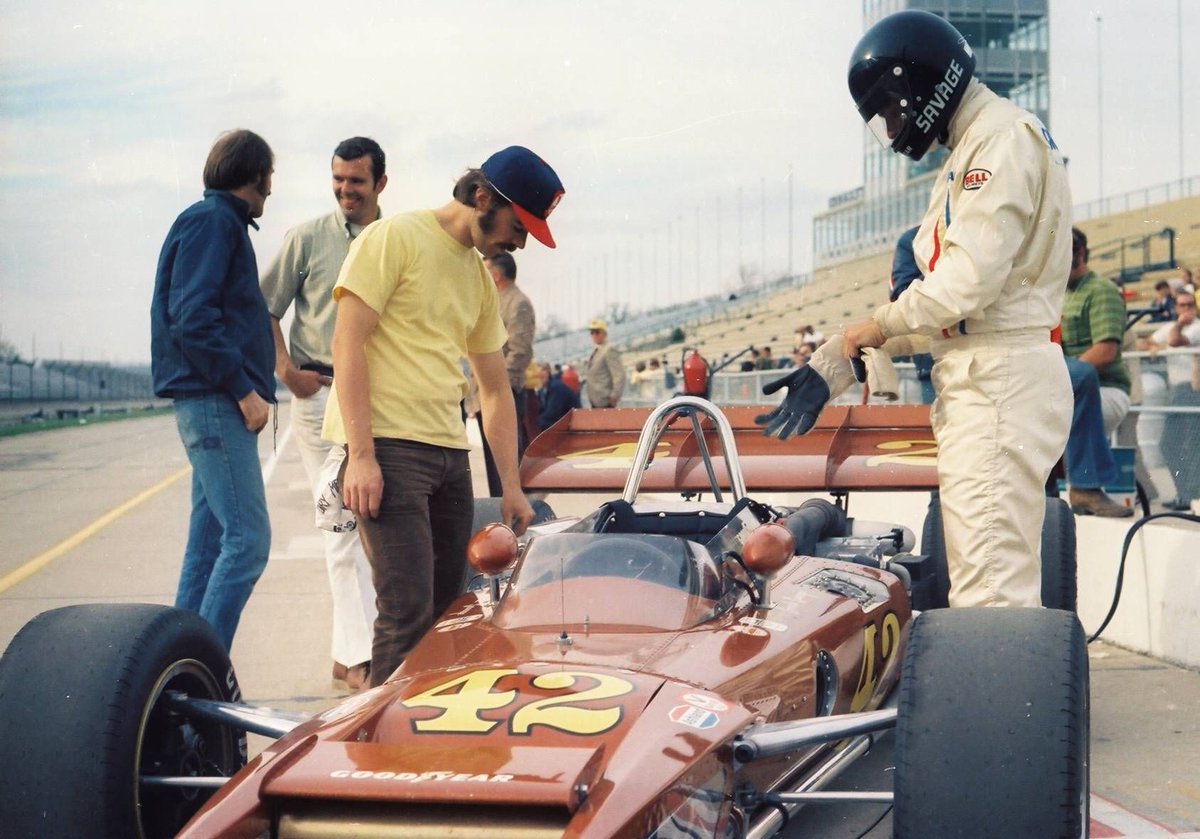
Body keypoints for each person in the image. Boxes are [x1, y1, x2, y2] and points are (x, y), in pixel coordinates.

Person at [760, 11, 1072, 609]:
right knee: (986, 573)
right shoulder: (979, 143)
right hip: (989, 372)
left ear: (923, 83)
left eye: (894, 108)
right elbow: (955, 306)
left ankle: (996, 704)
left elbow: (965, 287)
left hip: (998, 378)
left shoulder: (998, 140)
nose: (895, 126)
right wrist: (843, 355)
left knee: (991, 590)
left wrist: (878, 325)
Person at [326, 145, 562, 686]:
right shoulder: (393, 238)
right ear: (482, 197)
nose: (520, 242)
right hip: (388, 448)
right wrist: (360, 456)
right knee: (405, 612)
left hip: (449, 455)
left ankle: (428, 743)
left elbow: (496, 390)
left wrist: (510, 487)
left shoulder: (478, 279)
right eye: (517, 225)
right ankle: (379, 752)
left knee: (447, 616)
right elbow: (347, 343)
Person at [259, 136, 386, 689]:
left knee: (375, 523)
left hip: (380, 399)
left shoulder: (394, 240)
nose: (344, 190)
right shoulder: (306, 239)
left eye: (356, 181)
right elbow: (261, 308)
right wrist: (286, 371)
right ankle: (360, 660)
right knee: (341, 520)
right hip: (319, 398)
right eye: (337, 179)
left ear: (380, 183)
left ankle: (347, 651)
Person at [150, 129, 276, 651]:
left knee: (207, 549)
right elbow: (193, 319)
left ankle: (173, 671)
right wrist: (243, 390)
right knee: (248, 544)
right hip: (216, 402)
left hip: (212, 402)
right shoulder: (213, 223)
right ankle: (204, 675)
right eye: (270, 176)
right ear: (255, 175)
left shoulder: (219, 222)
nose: (271, 188)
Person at [1058, 228, 1133, 517]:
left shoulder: (1101, 290)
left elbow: (1104, 352)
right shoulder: (1058, 293)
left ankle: (1086, 488)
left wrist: (1059, 380)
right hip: (1072, 388)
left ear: (1079, 253)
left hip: (1106, 390)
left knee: (1077, 378)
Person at [476, 251, 536, 497]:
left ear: (496, 274)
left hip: (503, 393)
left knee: (506, 467)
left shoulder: (518, 303)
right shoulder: (495, 301)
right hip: (488, 393)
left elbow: (520, 352)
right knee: (493, 467)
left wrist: (498, 386)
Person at [888, 225, 935, 404]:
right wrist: (949, 274)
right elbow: (901, 294)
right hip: (932, 359)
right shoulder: (913, 239)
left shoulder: (979, 225)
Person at [585, 318, 626, 407]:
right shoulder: (597, 350)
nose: (594, 335)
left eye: (597, 332)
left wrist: (614, 396)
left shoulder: (609, 350)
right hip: (595, 401)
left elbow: (619, 374)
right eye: (592, 332)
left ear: (604, 333)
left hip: (606, 401)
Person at [536, 361, 579, 430]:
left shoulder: (556, 387)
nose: (540, 375)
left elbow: (553, 413)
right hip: (560, 420)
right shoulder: (542, 390)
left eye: (543, 371)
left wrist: (536, 424)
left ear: (548, 372)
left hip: (570, 422)